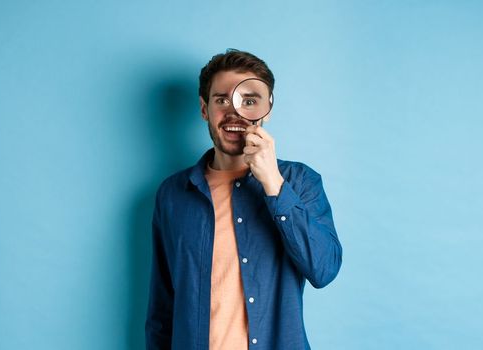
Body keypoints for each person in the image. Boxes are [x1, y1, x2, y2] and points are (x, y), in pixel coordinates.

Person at [145, 49, 343, 349]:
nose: (234, 112)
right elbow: (162, 308)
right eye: (221, 100)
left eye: (248, 101)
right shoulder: (173, 194)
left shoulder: (300, 182)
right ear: (204, 109)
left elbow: (324, 269)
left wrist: (273, 183)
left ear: (267, 109)